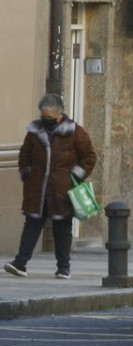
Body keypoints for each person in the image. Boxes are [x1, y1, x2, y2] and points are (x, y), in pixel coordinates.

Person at [3, 94, 97, 279]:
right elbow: (25, 154)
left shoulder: (76, 133)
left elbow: (89, 157)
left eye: (49, 117)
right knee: (31, 225)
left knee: (62, 228)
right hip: (38, 189)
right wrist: (27, 173)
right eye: (43, 116)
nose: (45, 120)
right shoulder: (34, 132)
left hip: (62, 189)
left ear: (59, 115)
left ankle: (64, 268)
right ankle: (20, 263)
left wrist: (73, 177)